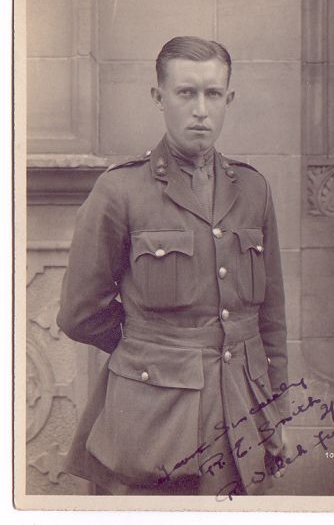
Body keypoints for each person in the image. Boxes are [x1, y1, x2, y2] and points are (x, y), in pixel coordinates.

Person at [57, 36, 289, 497]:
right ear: (158, 97)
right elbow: (78, 313)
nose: (201, 109)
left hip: (245, 414)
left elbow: (272, 319)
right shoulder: (121, 191)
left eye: (213, 94)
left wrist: (277, 407)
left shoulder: (254, 188)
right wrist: (150, 346)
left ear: (229, 99)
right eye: (186, 93)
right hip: (153, 422)